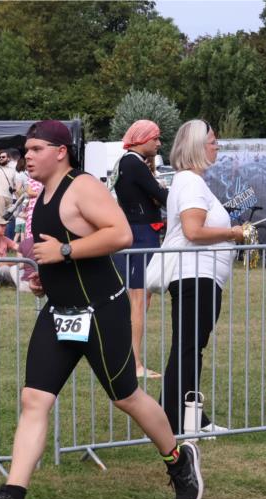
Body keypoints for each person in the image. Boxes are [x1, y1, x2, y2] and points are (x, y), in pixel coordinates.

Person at [0, 120, 203, 499]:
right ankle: (13, 497)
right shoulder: (43, 195)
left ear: (61, 151)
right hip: (59, 311)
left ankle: (179, 461)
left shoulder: (83, 185)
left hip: (100, 311)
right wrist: (46, 277)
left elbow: (121, 233)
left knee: (126, 397)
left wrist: (66, 250)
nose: (28, 157)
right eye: (27, 150)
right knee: (34, 399)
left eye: (36, 149)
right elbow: (56, 252)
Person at [161, 120, 246, 439]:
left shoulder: (191, 182)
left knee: (189, 347)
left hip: (199, 276)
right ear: (197, 145)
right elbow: (193, 231)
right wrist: (233, 232)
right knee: (188, 348)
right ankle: (177, 419)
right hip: (195, 276)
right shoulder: (191, 184)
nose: (217, 146)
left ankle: (182, 414)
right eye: (212, 141)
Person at [112, 120, 170, 379]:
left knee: (138, 298)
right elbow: (161, 195)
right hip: (142, 235)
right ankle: (134, 363)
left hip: (137, 232)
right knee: (138, 298)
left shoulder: (126, 163)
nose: (158, 143)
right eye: (155, 138)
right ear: (142, 139)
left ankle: (128, 357)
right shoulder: (134, 163)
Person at [0, 149, 18, 217]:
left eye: (3, 157)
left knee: (9, 218)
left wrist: (18, 198)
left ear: (8, 158)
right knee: (0, 218)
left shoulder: (12, 170)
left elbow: (14, 185)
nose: (1, 158)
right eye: (0, 157)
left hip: (9, 197)